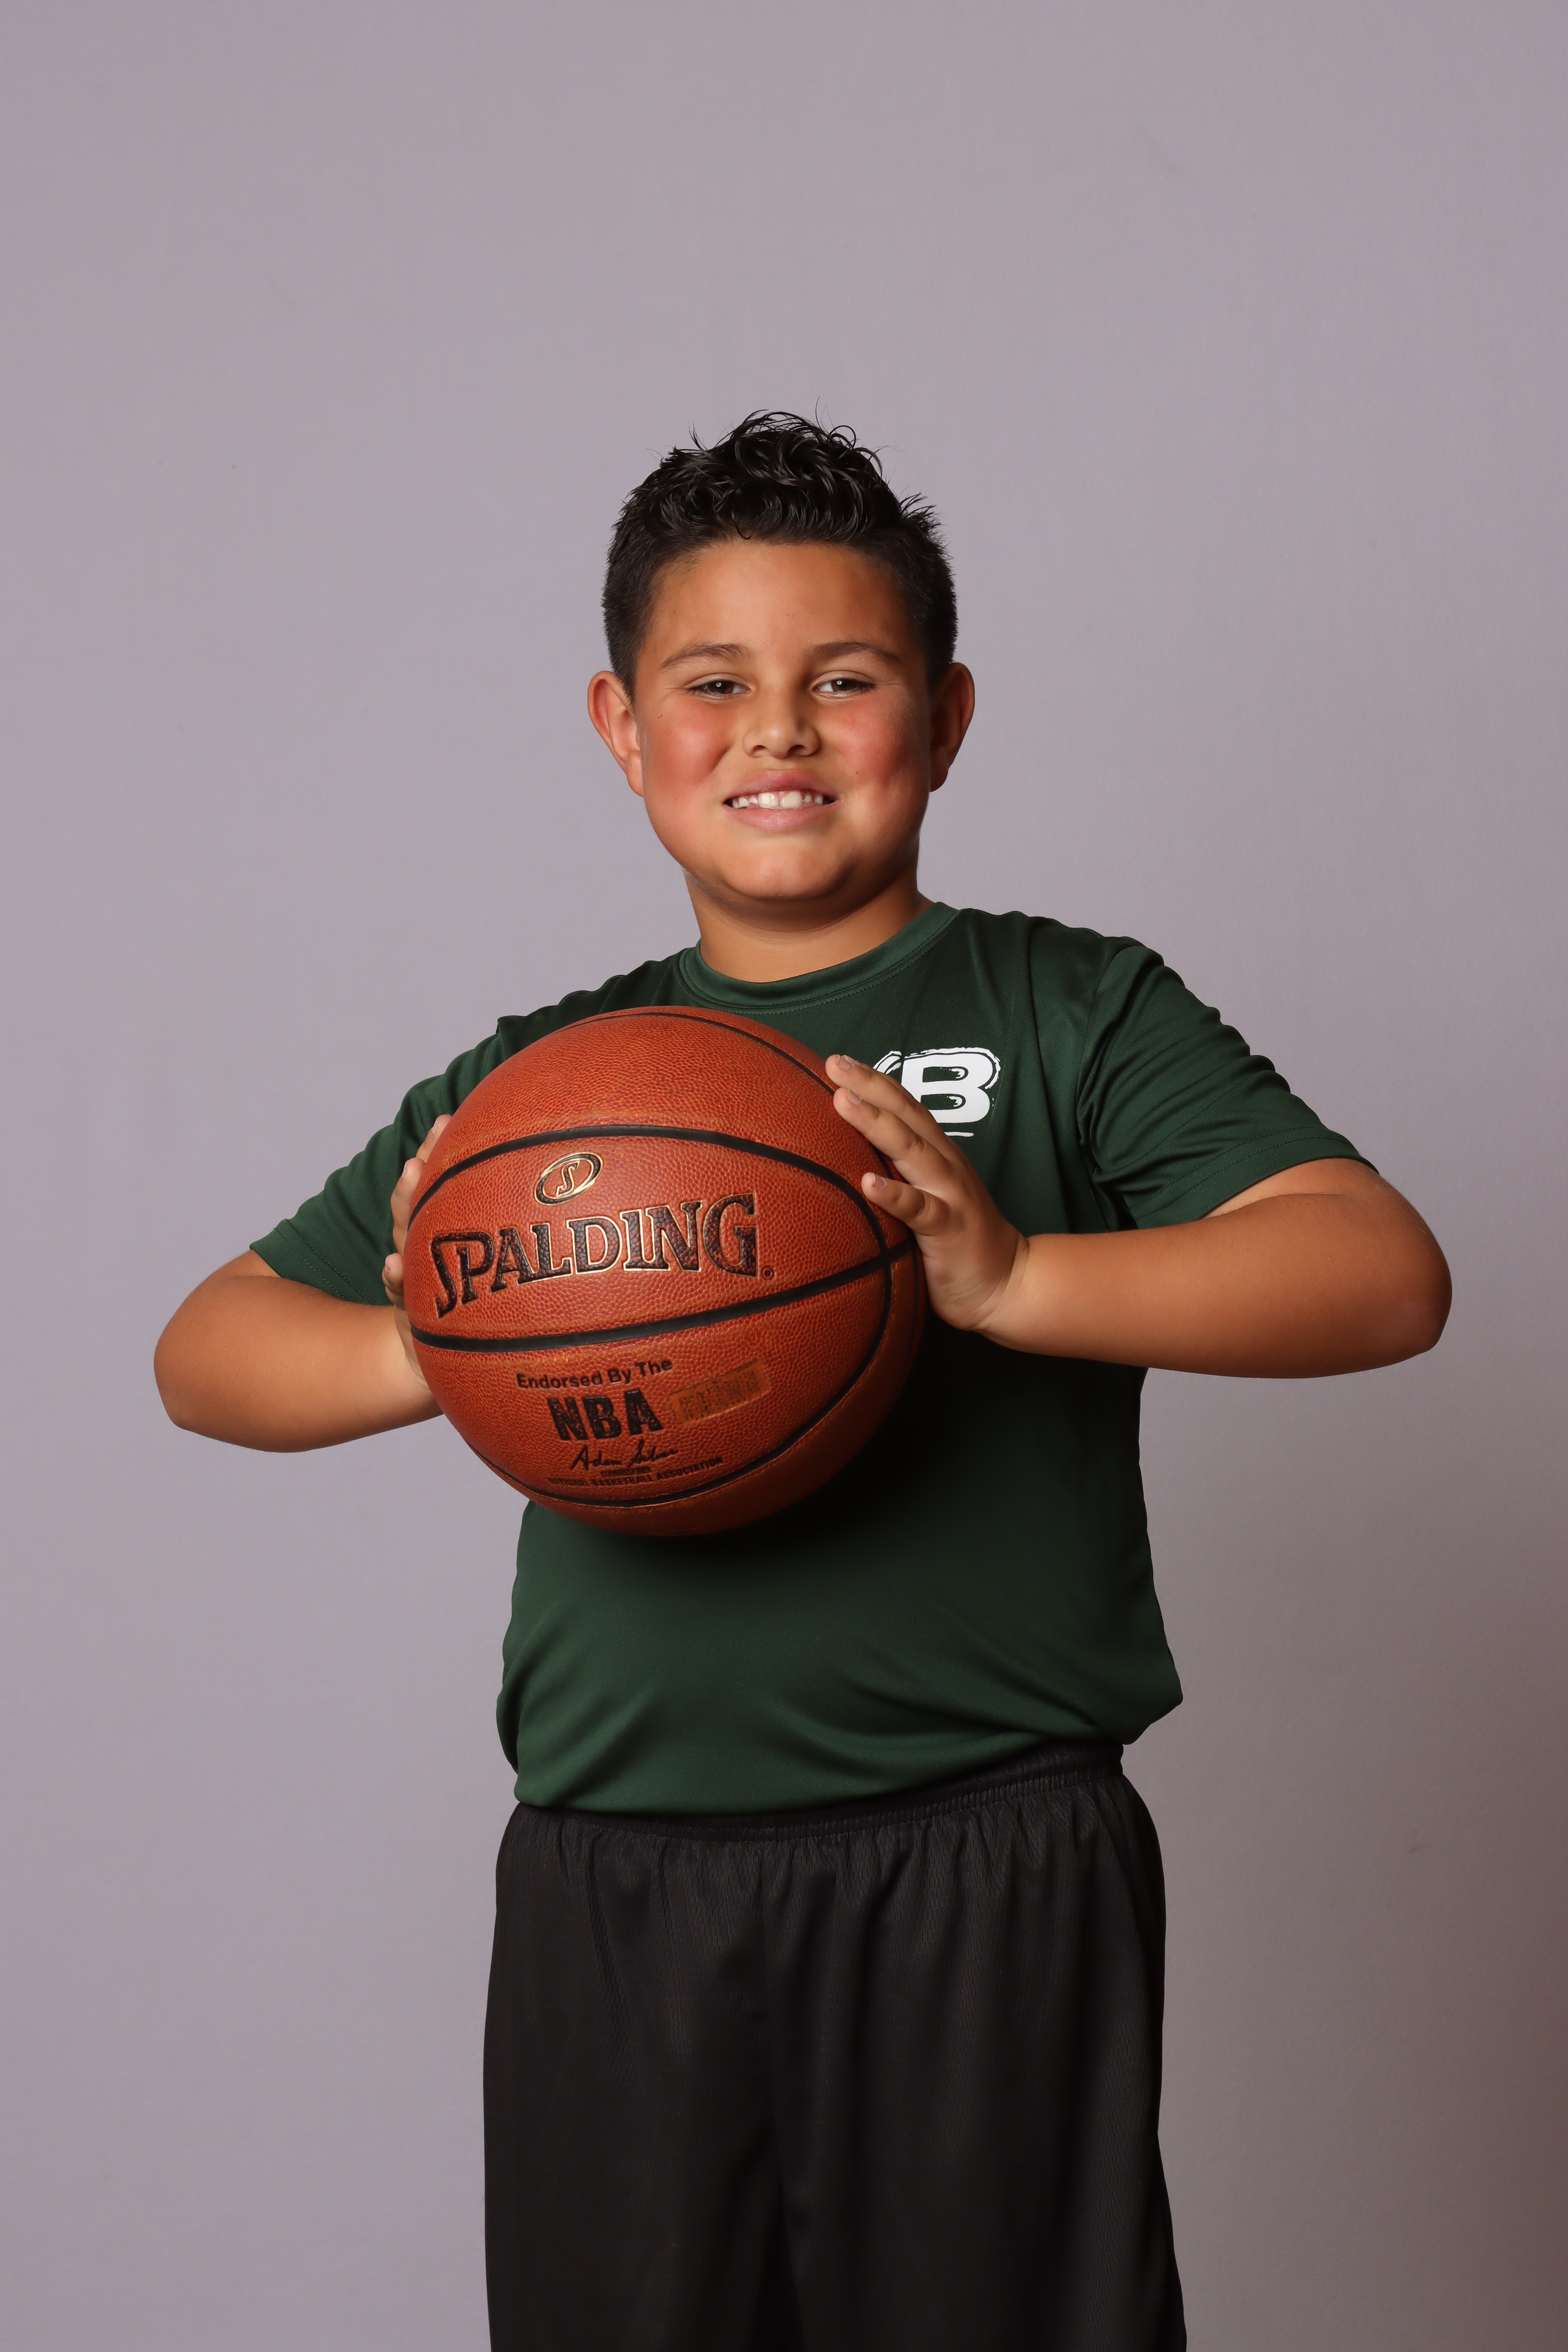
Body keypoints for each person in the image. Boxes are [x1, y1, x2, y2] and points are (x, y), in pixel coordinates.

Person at [154, 413, 1450, 2352]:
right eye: (713, 684)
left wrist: (1014, 1278)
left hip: (983, 1852)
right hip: (614, 1870)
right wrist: (450, 1336)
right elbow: (208, 1351)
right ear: (621, 727)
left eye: (844, 680)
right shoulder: (548, 1091)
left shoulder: (1065, 1010)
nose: (777, 729)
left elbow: (1378, 1274)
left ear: (944, 716)